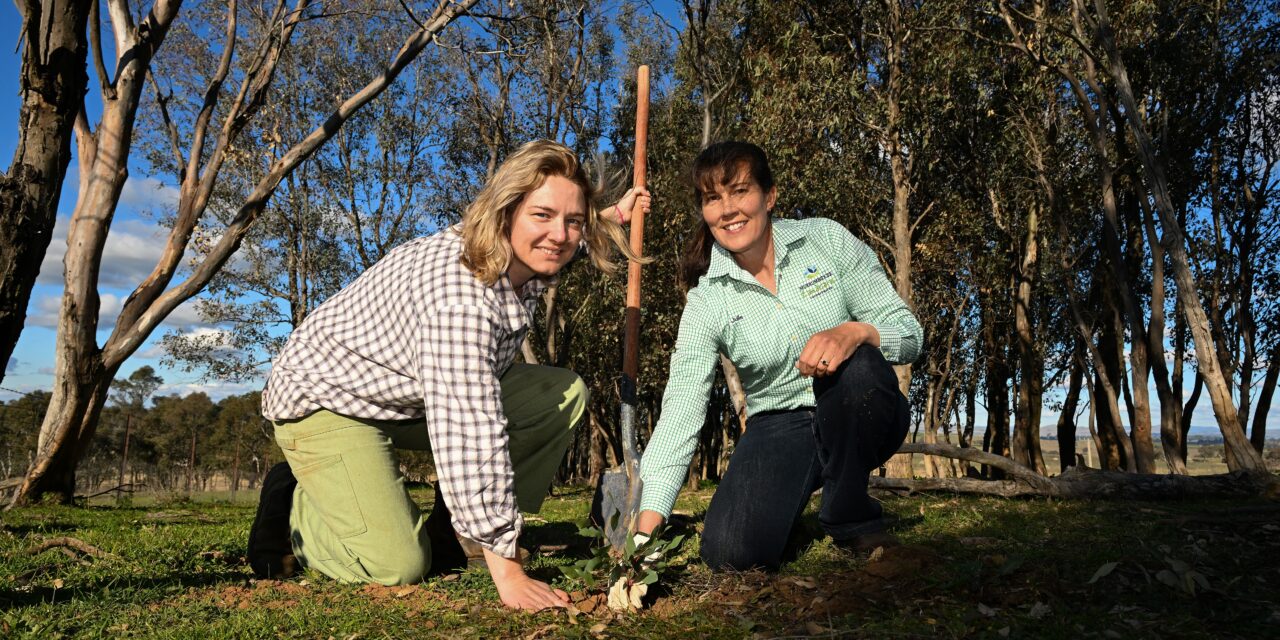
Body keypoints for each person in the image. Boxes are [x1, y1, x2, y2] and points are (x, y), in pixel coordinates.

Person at [249, 140, 649, 611]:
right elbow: (469, 430)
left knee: (559, 393)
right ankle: (295, 502)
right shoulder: (462, 302)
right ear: (505, 212)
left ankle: (461, 535)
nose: (560, 235)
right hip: (323, 401)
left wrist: (610, 217)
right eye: (542, 215)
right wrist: (509, 569)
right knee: (399, 564)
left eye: (574, 220)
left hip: (399, 395)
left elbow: (556, 233)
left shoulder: (514, 247)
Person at [634, 141, 922, 571]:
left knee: (859, 367)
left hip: (857, 404)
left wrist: (854, 332)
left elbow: (909, 333)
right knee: (730, 554)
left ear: (769, 196)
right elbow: (682, 409)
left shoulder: (825, 239)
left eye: (741, 191)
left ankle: (850, 515)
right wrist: (644, 529)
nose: (728, 209)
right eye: (713, 198)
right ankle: (793, 495)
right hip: (779, 423)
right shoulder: (706, 300)